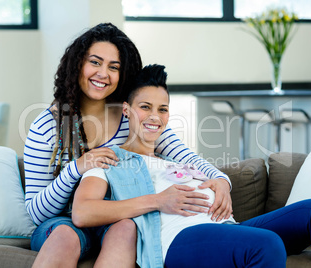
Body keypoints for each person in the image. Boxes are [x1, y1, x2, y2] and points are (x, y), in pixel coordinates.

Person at [73, 64, 311, 268]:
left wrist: (221, 182)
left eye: (162, 109)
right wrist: (158, 201)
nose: (154, 117)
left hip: (229, 229)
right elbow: (83, 212)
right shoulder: (111, 159)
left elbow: (215, 177)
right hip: (178, 239)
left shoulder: (174, 159)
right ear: (127, 110)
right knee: (267, 244)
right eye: (145, 107)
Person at [24, 23, 232, 267]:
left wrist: (222, 181)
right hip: (63, 223)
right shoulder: (46, 126)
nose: (103, 74)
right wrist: (76, 169)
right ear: (77, 64)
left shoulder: (131, 115)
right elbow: (36, 212)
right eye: (95, 62)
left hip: (118, 216)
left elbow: (186, 157)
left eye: (114, 67)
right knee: (65, 235)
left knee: (126, 229)